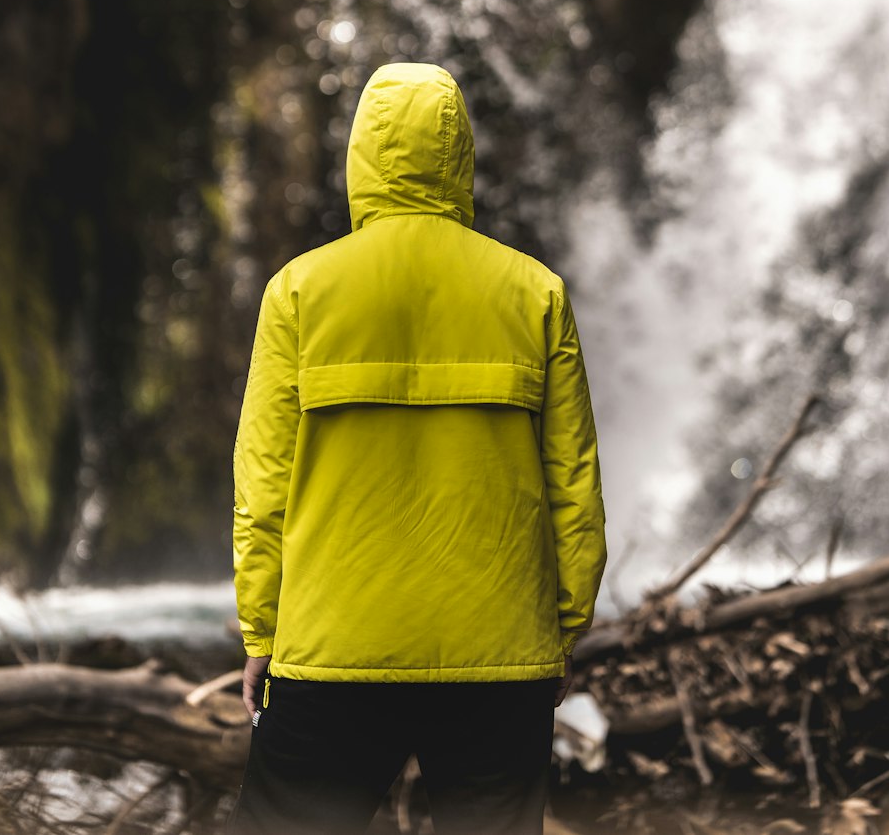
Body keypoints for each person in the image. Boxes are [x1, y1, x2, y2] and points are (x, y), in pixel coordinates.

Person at [228, 61, 606, 835]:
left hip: (332, 651)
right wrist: (561, 630)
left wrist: (262, 631)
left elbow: (262, 482)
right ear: (461, 155)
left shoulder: (299, 291)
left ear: (359, 154)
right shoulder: (535, 293)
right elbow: (574, 484)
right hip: (500, 654)